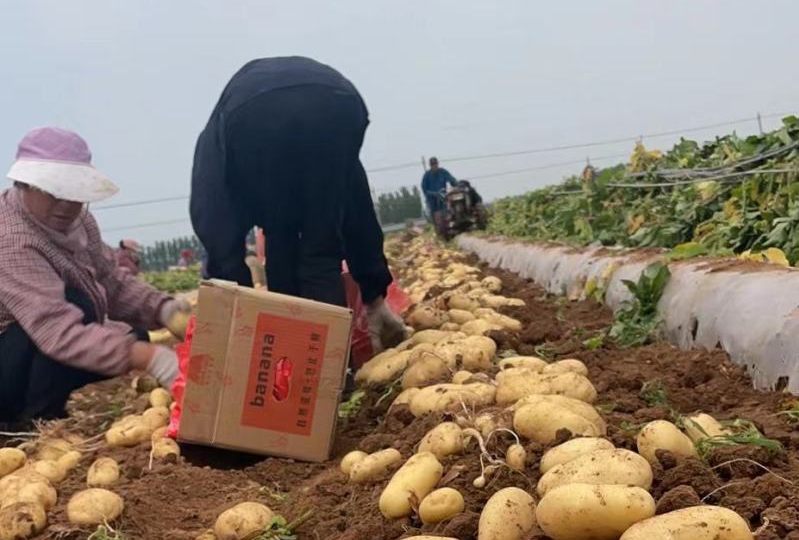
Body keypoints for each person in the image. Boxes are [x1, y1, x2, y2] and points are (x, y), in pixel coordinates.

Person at [189, 57, 406, 351]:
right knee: (319, 248)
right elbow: (357, 208)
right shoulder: (222, 141)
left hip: (255, 113)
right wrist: (374, 296)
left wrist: (235, 302)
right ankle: (334, 373)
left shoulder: (217, 145)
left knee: (289, 240)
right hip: (339, 100)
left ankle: (309, 372)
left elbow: (213, 215)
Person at [0, 128, 191, 425]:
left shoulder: (80, 221)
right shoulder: (11, 238)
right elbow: (55, 329)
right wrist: (150, 358)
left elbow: (110, 281)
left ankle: (42, 406)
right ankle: (28, 422)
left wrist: (163, 309)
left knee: (131, 333)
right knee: (77, 304)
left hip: (40, 345)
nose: (66, 204)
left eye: (75, 193)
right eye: (53, 192)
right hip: (10, 358)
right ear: (24, 184)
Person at [421, 157, 457, 225]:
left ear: (438, 164)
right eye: (432, 164)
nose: (434, 166)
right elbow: (424, 189)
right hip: (432, 199)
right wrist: (433, 194)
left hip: (443, 196)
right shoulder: (426, 176)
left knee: (449, 206)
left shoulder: (443, 172)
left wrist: (456, 184)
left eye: (435, 164)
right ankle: (438, 226)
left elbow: (451, 179)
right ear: (430, 165)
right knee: (435, 213)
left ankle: (450, 221)